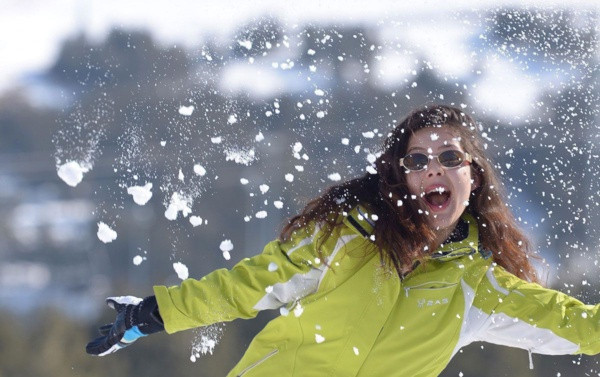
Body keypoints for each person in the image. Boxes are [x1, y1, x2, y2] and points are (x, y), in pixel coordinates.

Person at [86, 104, 600, 376]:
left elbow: (572, 325)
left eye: (449, 158)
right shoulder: (345, 237)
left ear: (474, 177)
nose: (433, 170)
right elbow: (247, 286)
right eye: (418, 160)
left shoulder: (476, 286)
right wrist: (153, 313)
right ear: (400, 176)